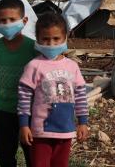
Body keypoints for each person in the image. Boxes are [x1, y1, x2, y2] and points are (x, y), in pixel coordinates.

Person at [17, 12, 89, 167]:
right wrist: (24, 125)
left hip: (65, 130)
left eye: (56, 39)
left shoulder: (72, 66)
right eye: (45, 39)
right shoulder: (34, 66)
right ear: (37, 39)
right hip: (40, 131)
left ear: (65, 38)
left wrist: (83, 122)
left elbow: (81, 95)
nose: (51, 44)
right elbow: (24, 98)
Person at [0, 0, 36, 167]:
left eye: (12, 20)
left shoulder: (33, 48)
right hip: (4, 110)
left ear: (24, 20)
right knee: (5, 155)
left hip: (30, 111)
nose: (7, 24)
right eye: (3, 20)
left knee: (33, 153)